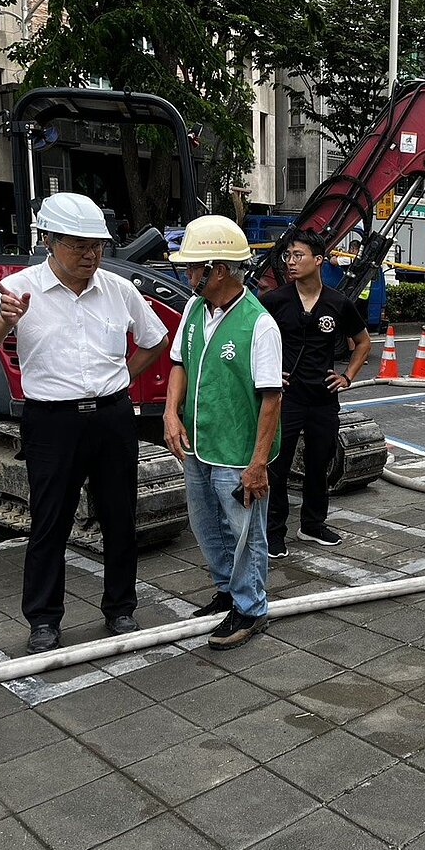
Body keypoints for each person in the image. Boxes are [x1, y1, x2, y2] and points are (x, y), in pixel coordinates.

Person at [0, 192, 169, 654]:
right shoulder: (17, 289)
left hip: (112, 418)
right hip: (51, 422)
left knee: (119, 516)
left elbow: (155, 341)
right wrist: (5, 323)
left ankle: (120, 608)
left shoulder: (119, 289)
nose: (90, 255)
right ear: (50, 241)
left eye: (96, 245)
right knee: (50, 521)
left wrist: (121, 380)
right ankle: (43, 620)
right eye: (78, 245)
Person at [164, 216, 283, 650]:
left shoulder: (259, 324)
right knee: (206, 524)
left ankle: (250, 608)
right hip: (198, 443)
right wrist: (170, 414)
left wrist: (257, 465)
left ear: (216, 269)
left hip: (237, 452)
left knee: (245, 532)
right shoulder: (194, 309)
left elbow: (271, 400)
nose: (187, 273)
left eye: (193, 266)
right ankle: (226, 591)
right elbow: (179, 363)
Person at [261, 230, 371, 556]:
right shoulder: (275, 300)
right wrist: (265, 372)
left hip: (323, 398)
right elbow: (251, 339)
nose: (291, 262)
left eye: (298, 255)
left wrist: (347, 376)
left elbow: (363, 343)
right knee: (277, 466)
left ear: (318, 260)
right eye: (288, 256)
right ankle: (274, 531)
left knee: (318, 462)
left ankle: (311, 524)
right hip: (287, 397)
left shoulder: (338, 303)